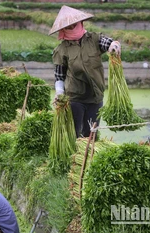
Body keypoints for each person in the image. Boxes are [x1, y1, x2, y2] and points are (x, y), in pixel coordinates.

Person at [49, 5, 121, 138]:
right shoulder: (62, 49)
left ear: (80, 23)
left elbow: (107, 43)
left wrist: (113, 46)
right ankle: (74, 157)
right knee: (75, 133)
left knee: (91, 133)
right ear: (63, 29)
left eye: (73, 25)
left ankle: (88, 157)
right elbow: (59, 75)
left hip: (95, 96)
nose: (71, 29)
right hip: (75, 97)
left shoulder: (94, 39)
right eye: (68, 27)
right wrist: (59, 92)